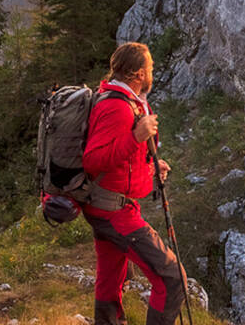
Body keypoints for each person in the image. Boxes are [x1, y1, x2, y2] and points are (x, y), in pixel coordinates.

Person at [82, 42, 186, 325]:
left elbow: (120, 160)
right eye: (150, 67)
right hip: (113, 211)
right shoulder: (117, 107)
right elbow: (93, 160)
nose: (152, 71)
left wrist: (150, 168)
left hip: (107, 206)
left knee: (110, 279)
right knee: (172, 278)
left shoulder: (122, 100)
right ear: (139, 73)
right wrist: (136, 137)